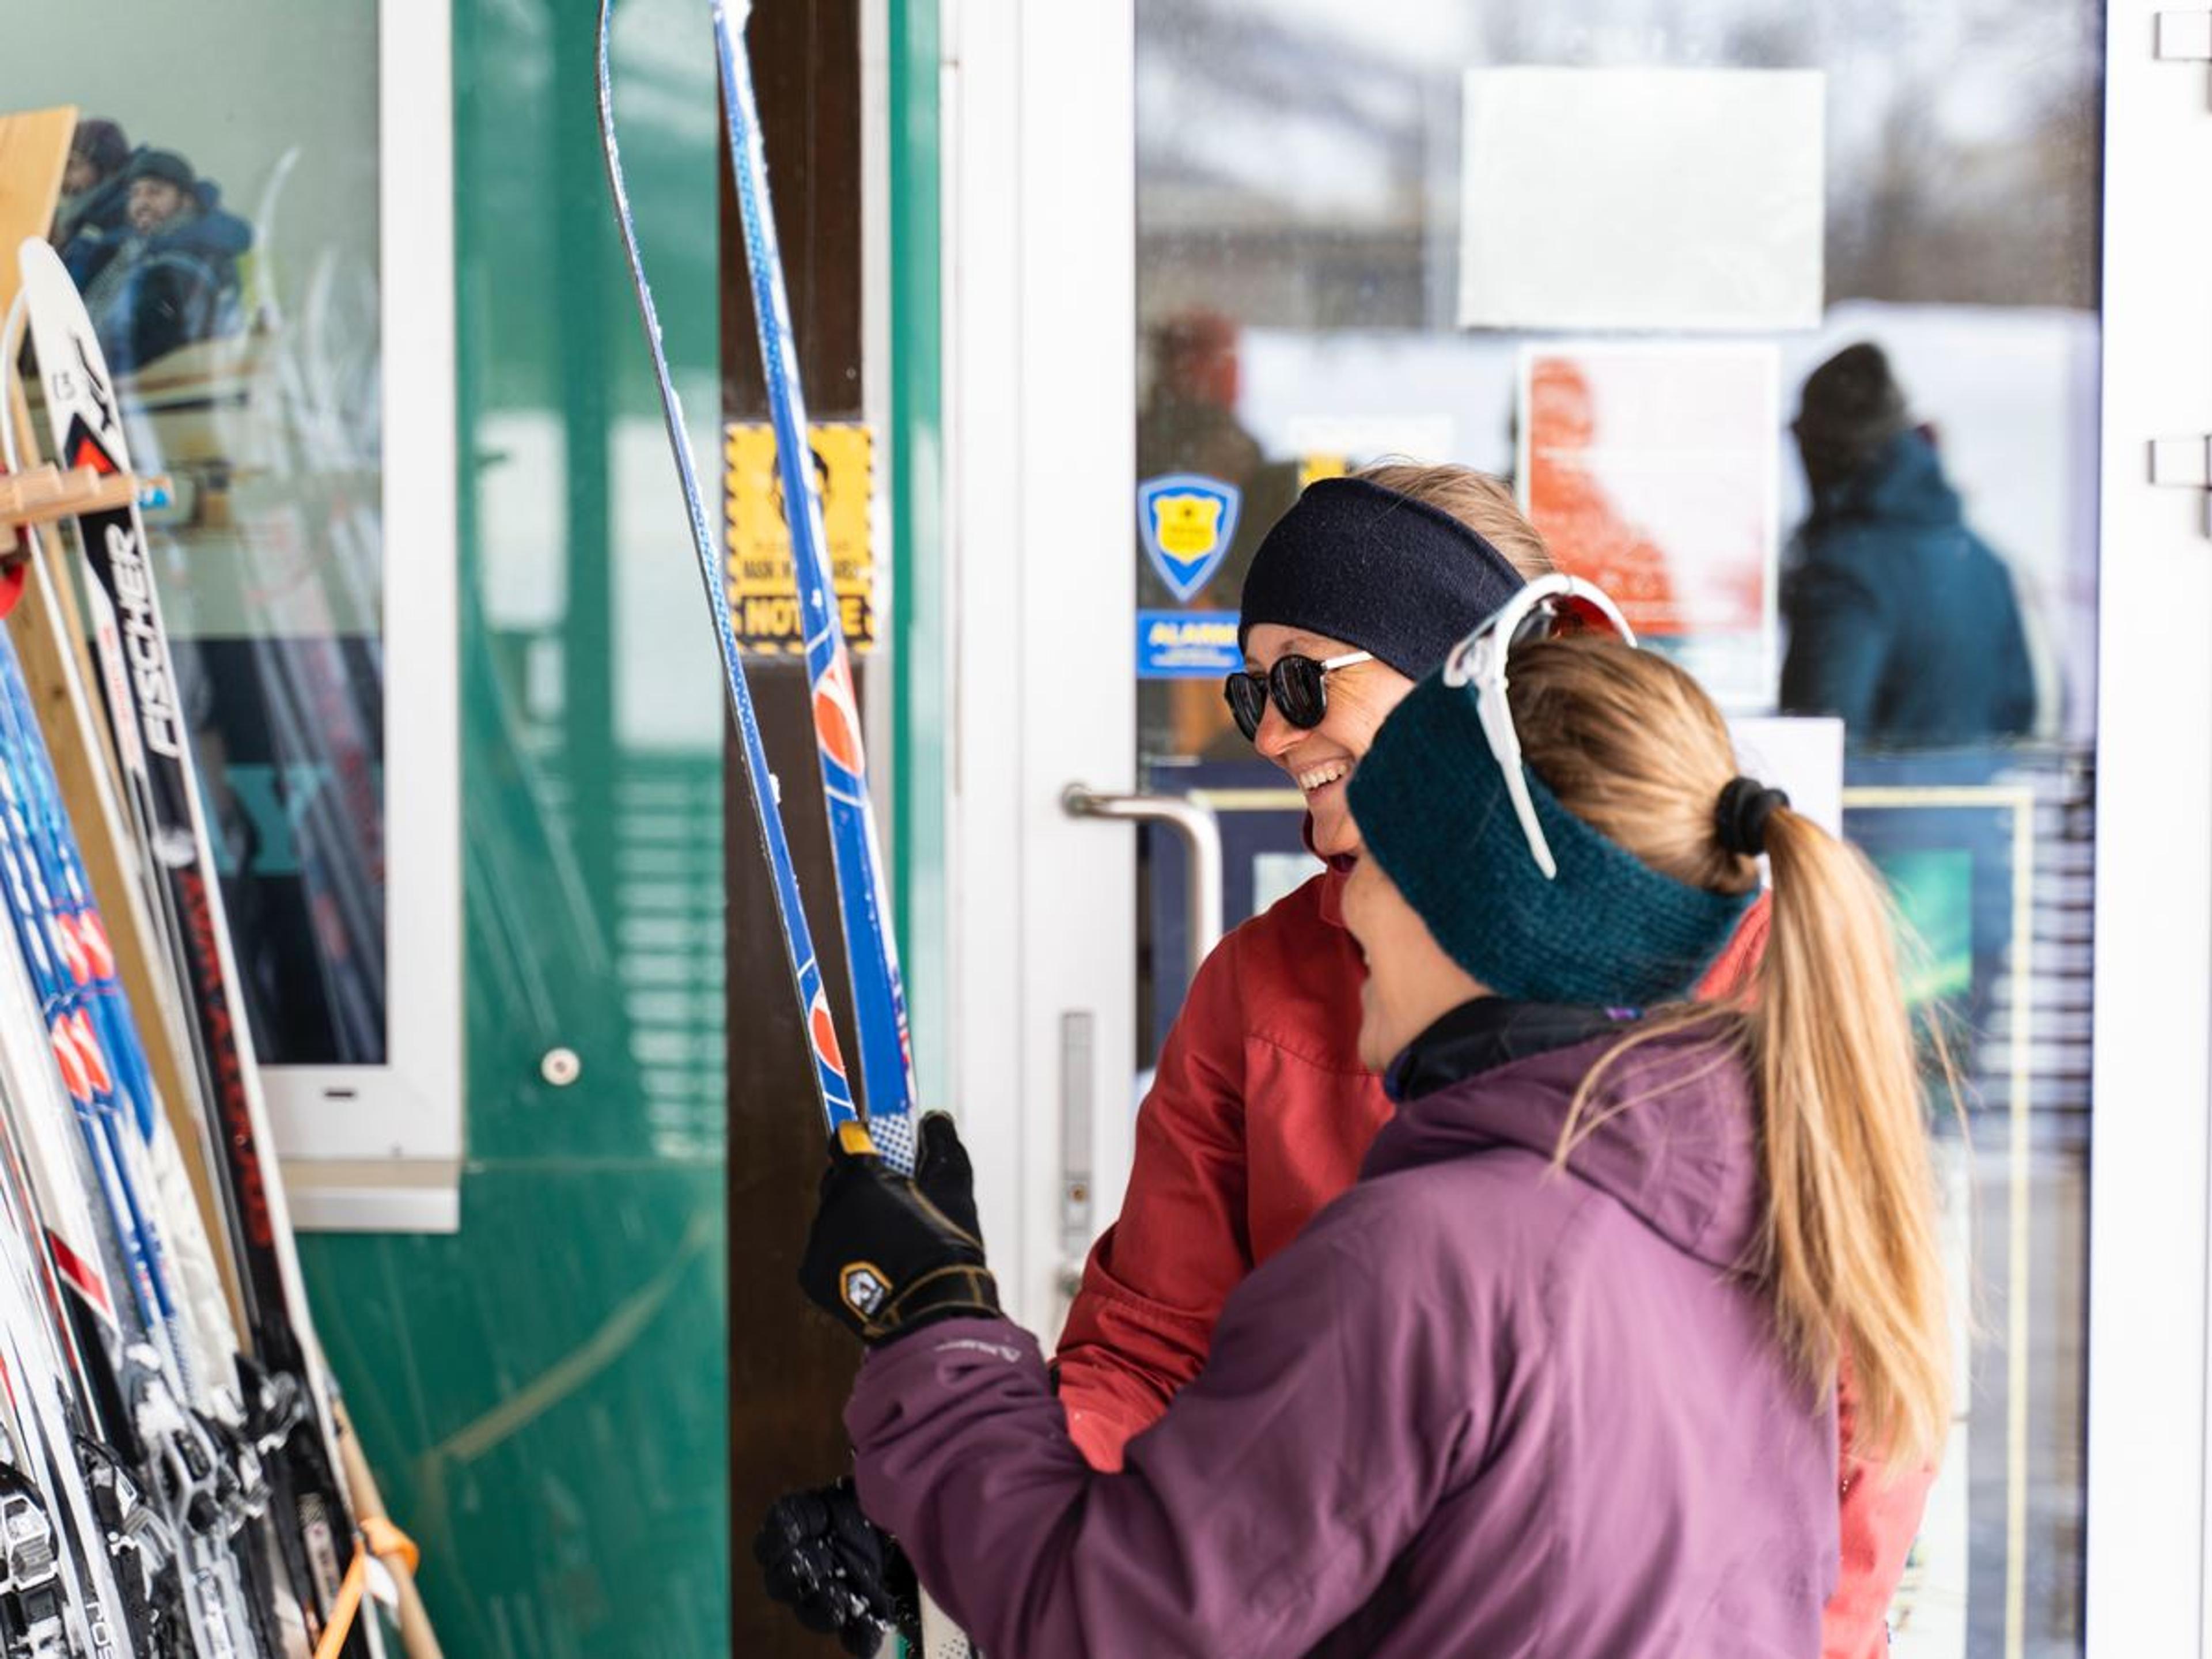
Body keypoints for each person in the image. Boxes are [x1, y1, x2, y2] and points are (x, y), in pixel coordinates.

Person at [757, 467, 1926, 1657]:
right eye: (1251, 687)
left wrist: (943, 1358)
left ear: (1470, 695)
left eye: (1306, 679)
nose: (1267, 730)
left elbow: (1858, 1406)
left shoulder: (1706, 1013)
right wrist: (974, 1500)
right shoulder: (1267, 983)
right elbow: (1158, 1348)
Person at [1778, 342, 2037, 746]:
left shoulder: (1845, 573)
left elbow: (1819, 739)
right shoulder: (1984, 561)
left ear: (1828, 452)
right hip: (1982, 806)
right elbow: (2019, 713)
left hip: (1868, 808)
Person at [63, 148, 253, 373]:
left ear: (186, 201)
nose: (141, 202)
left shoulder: (189, 260)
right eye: (135, 194)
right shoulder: (130, 250)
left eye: (155, 193)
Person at [48, 118, 134, 256]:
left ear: (102, 165)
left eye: (70, 166)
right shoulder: (84, 219)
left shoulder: (121, 222)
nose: (63, 179)